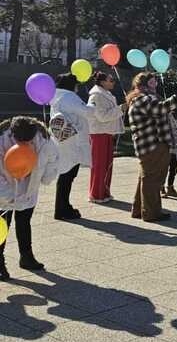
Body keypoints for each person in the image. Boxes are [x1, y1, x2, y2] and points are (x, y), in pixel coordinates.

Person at [0, 116, 59, 279]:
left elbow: (54, 161)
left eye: (28, 140)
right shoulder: (1, 140)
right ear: (12, 133)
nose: (24, 144)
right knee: (2, 225)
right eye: (20, 140)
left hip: (28, 188)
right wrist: (7, 195)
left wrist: (47, 177)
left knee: (24, 221)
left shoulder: (45, 141)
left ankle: (26, 257)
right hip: (5, 191)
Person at [126, 72, 177, 223]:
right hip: (153, 144)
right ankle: (151, 213)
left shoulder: (140, 99)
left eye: (155, 80)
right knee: (153, 180)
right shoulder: (143, 99)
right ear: (143, 84)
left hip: (149, 145)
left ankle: (138, 210)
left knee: (146, 178)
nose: (155, 83)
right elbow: (161, 108)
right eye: (151, 81)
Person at [50, 73, 93, 221]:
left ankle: (63, 206)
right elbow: (86, 111)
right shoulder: (69, 97)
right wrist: (92, 106)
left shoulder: (56, 97)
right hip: (72, 141)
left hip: (62, 139)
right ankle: (62, 209)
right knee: (68, 175)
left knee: (65, 174)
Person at [87, 70, 124, 203]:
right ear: (102, 82)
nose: (113, 82)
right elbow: (102, 116)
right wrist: (120, 109)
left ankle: (104, 191)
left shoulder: (106, 94)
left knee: (107, 164)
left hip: (106, 132)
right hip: (99, 133)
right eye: (110, 80)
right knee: (99, 165)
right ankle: (96, 193)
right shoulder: (96, 96)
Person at [162, 110, 177, 199]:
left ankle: (170, 187)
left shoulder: (173, 114)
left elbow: (176, 130)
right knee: (163, 168)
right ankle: (161, 188)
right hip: (165, 145)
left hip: (173, 146)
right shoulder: (161, 115)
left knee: (174, 168)